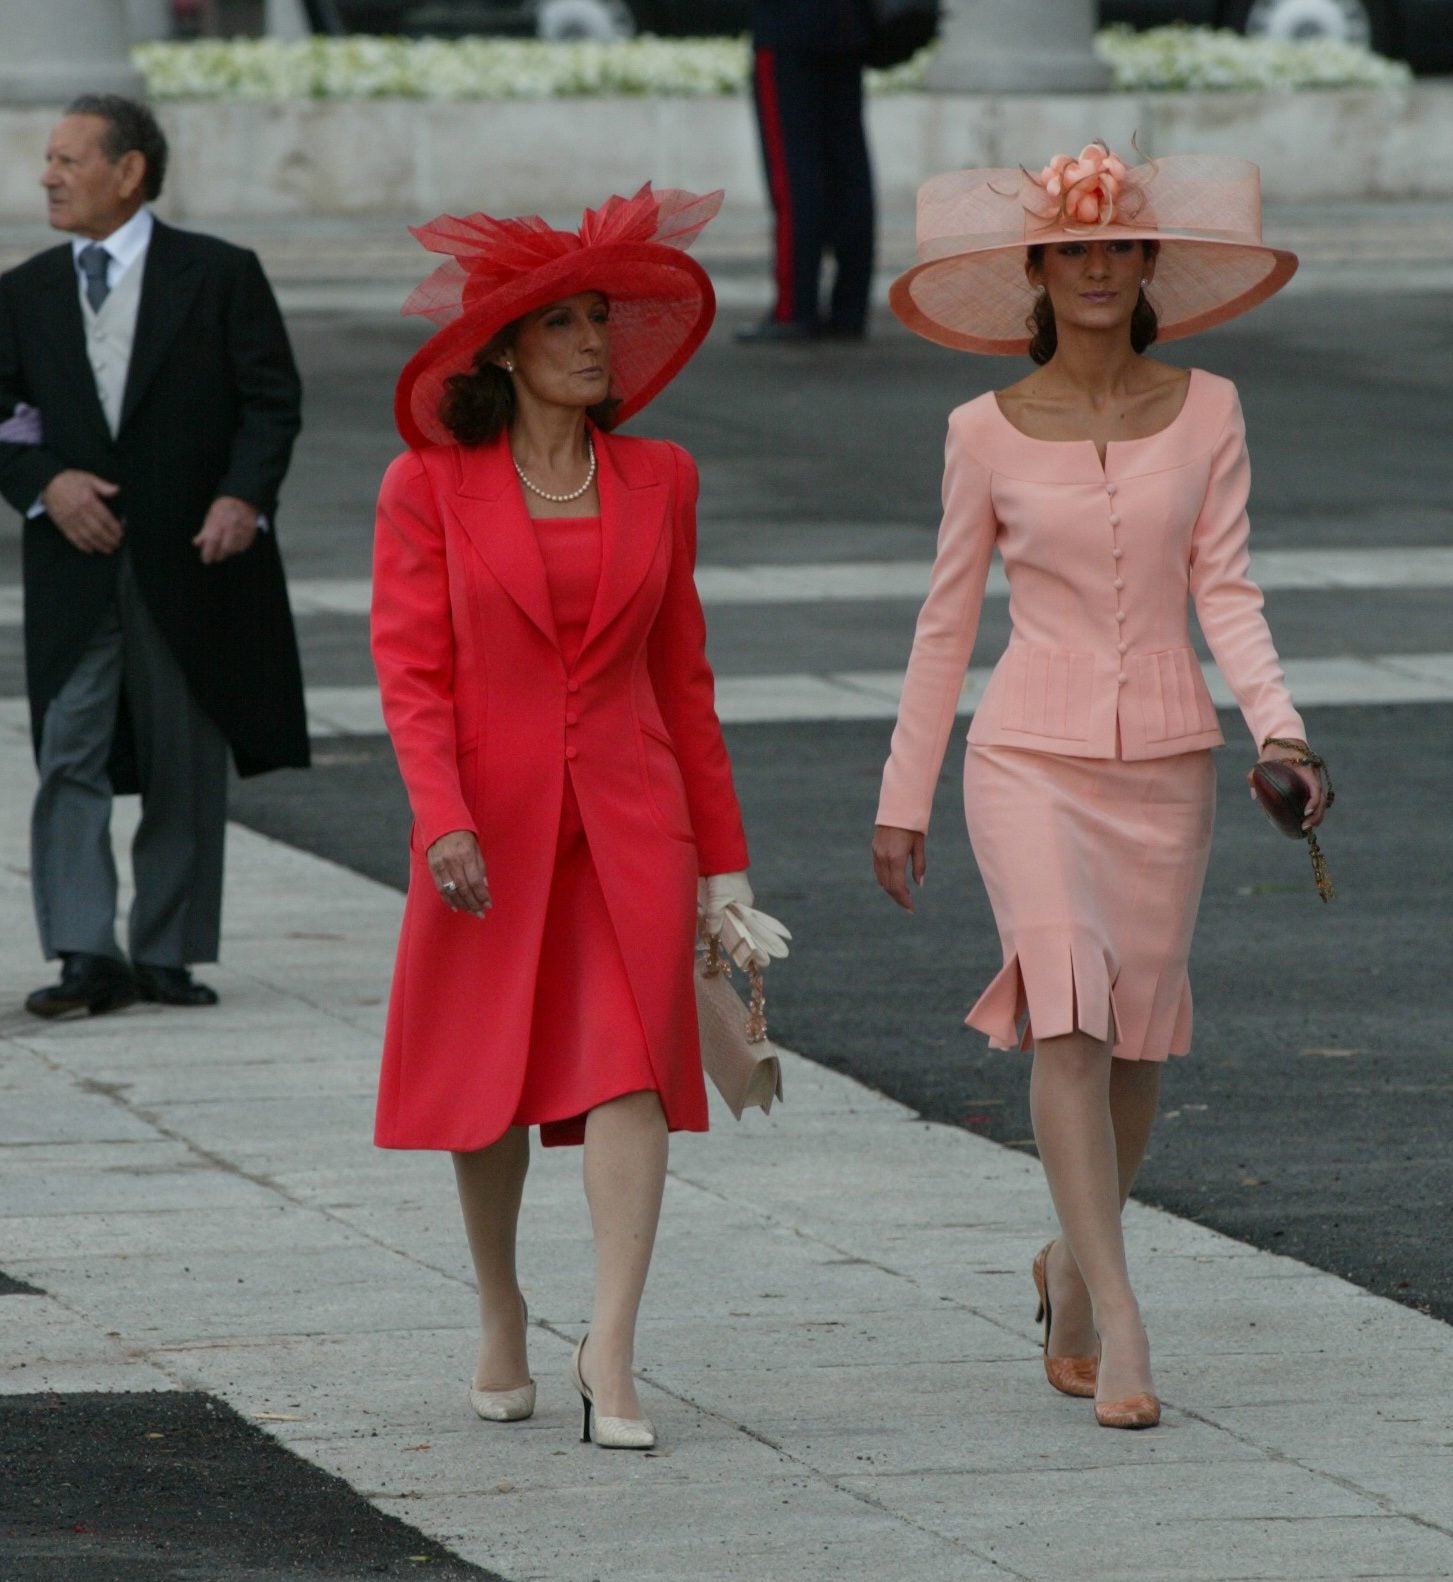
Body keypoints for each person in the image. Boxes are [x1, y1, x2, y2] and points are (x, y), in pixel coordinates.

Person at [872, 145, 1328, 1429]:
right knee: (1064, 1011)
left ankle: (1072, 1265)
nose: (1095, 270)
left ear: (1147, 269)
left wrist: (1280, 734)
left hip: (1171, 762)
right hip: (1023, 755)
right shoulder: (975, 430)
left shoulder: (1212, 408)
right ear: (1035, 268)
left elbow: (1225, 588)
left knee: (1136, 1036)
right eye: (1073, 251)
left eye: (1119, 250)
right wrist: (901, 795)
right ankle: (1124, 1313)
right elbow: (943, 623)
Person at [372, 184, 788, 1451]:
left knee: (630, 1068)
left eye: (600, 318)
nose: (593, 342)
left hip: (632, 820)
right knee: (486, 1085)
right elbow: (412, 667)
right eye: (562, 324)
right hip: (485, 827)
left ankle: (610, 1344)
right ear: (504, 348)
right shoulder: (427, 486)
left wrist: (725, 866)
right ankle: (501, 1304)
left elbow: (683, 680)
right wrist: (439, 814)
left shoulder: (661, 476)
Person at [0, 95, 307, 1019]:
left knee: (184, 760)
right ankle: (86, 952)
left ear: (128, 171)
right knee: (70, 754)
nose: (47, 176)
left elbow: (270, 402)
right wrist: (46, 484)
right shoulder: (23, 291)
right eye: (47, 161)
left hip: (194, 557)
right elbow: (5, 414)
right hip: (73, 562)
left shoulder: (219, 275)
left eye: (67, 159)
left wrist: (242, 498)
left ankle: (167, 952)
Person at [738, 0, 875, 342]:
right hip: (846, 25)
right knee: (849, 171)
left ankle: (795, 309)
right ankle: (849, 309)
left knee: (793, 175)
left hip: (789, 26)